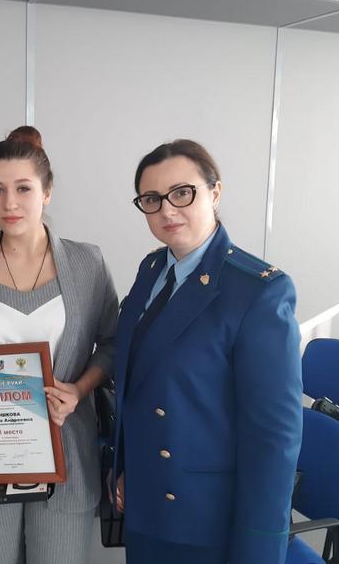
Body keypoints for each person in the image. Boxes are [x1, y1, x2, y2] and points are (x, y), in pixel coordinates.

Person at [0, 126, 118, 564]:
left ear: (47, 192)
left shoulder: (87, 262)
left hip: (67, 451)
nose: (9, 203)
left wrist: (79, 389)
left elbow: (112, 344)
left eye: (23, 189)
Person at [112, 140, 303, 564]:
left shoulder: (258, 291)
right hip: (147, 501)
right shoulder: (151, 270)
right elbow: (137, 385)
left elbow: (274, 437)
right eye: (151, 199)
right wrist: (125, 468)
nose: (167, 210)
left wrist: (260, 545)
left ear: (215, 193)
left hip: (206, 517)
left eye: (182, 193)